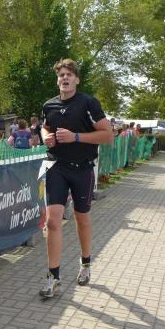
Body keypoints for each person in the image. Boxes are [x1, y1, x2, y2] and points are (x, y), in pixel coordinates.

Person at [40, 58, 112, 297]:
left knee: (82, 218)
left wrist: (76, 137)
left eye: (69, 75)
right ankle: (53, 277)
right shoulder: (49, 105)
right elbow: (45, 126)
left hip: (82, 169)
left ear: (77, 80)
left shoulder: (88, 103)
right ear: (57, 80)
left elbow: (107, 135)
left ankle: (85, 263)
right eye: (61, 75)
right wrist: (46, 136)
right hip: (57, 167)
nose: (65, 78)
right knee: (52, 222)